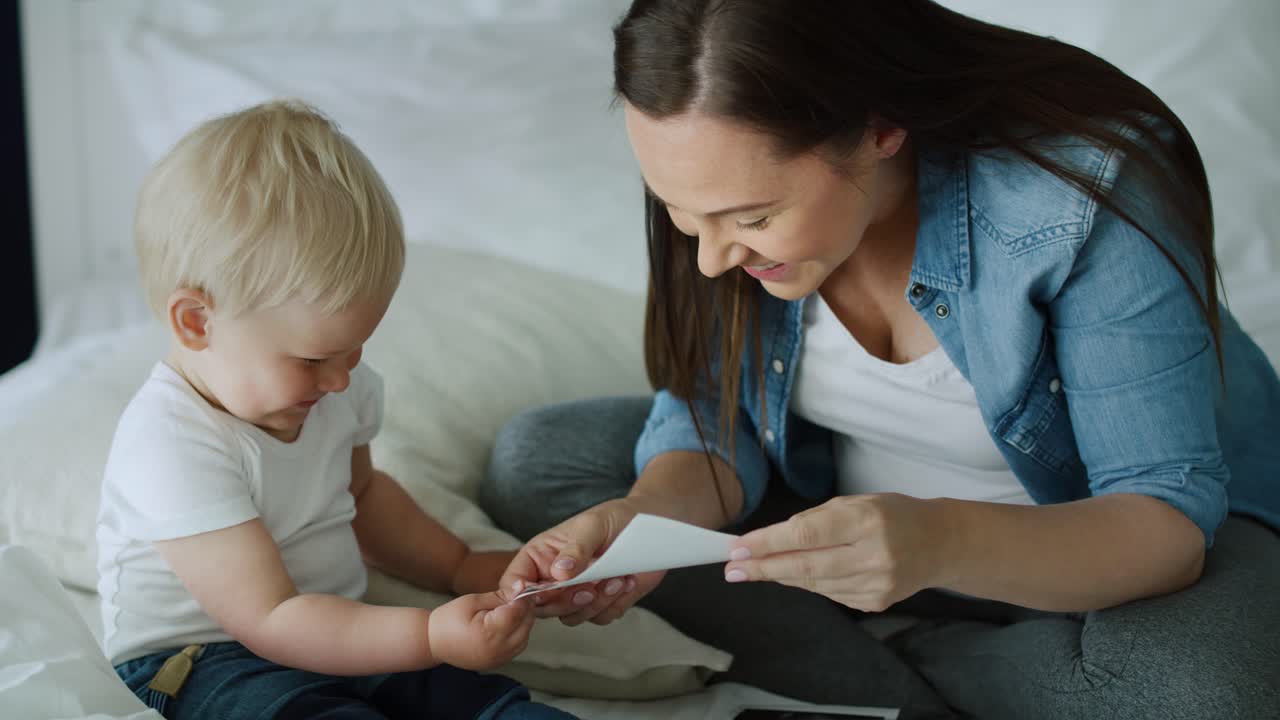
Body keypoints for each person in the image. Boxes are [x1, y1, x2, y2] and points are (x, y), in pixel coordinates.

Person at [479, 2, 1280, 718]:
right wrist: (646, 523)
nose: (712, 261)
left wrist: (939, 544)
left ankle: (894, 665)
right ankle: (970, 680)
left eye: (752, 217)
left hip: (1092, 563)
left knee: (1208, 698)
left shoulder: (1080, 200)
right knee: (539, 460)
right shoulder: (716, 198)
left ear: (880, 127)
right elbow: (717, 419)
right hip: (843, 526)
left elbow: (1162, 525)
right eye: (682, 218)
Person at [96, 100, 576, 720]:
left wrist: (460, 566)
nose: (341, 377)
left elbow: (366, 496)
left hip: (335, 629)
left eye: (356, 349)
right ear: (197, 322)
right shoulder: (170, 445)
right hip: (204, 658)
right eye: (312, 357)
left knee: (484, 702)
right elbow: (268, 618)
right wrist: (429, 636)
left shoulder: (335, 387)